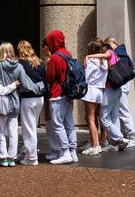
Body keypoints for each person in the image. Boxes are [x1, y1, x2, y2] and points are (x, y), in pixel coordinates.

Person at [85, 40, 129, 150]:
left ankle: (119, 139)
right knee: (114, 117)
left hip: (110, 90)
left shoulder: (109, 53)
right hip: (117, 89)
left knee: (103, 117)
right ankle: (116, 143)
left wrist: (88, 56)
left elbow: (103, 56)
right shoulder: (107, 59)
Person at [44, 30, 79, 164]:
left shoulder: (55, 57)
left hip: (57, 94)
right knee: (69, 124)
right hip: (68, 94)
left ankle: (64, 152)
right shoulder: (67, 54)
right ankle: (73, 152)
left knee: (58, 125)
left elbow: (50, 77)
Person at [16, 40, 46, 165]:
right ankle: (27, 151)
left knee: (28, 129)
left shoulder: (20, 64)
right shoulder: (39, 62)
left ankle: (32, 157)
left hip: (27, 98)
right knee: (32, 126)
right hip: (39, 98)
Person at [104, 37, 135, 147]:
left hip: (120, 84)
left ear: (111, 43)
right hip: (123, 84)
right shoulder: (123, 52)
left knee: (122, 110)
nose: (107, 47)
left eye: (108, 44)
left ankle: (131, 136)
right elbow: (131, 67)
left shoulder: (117, 53)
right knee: (118, 112)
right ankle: (119, 138)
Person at [81, 40, 107, 155]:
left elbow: (86, 77)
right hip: (100, 90)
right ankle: (96, 143)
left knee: (90, 119)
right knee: (94, 118)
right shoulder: (104, 62)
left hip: (91, 90)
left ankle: (95, 146)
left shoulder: (91, 62)